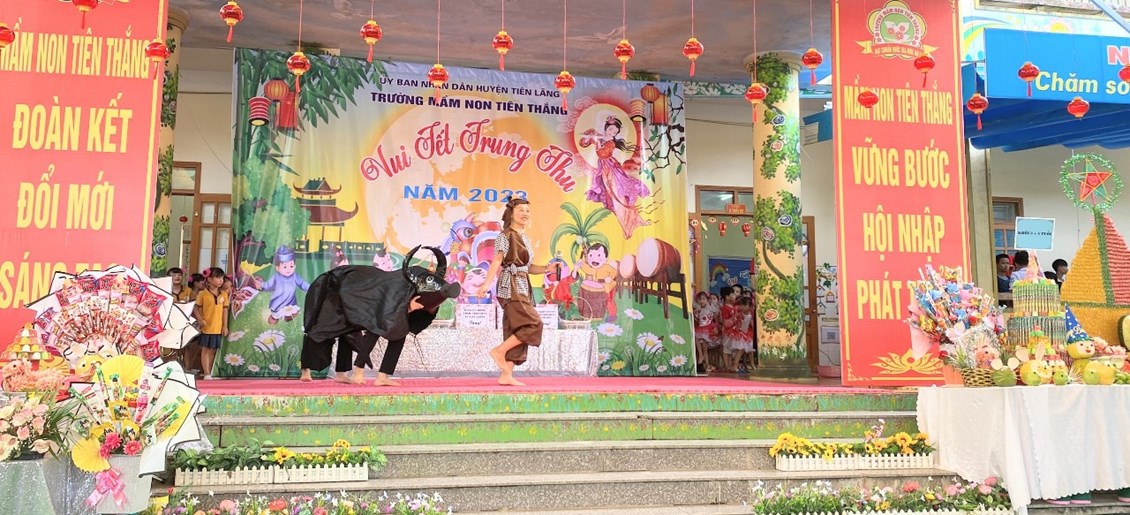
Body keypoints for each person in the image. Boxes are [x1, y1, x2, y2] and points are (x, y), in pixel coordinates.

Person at [478, 197, 559, 386]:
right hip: (510, 286)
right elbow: (497, 260)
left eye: (527, 211)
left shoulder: (525, 238)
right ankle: (499, 351)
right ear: (511, 213)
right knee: (533, 323)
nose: (525, 214)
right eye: (521, 210)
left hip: (523, 285)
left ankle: (506, 374)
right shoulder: (505, 236)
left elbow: (528, 268)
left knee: (516, 329)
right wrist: (486, 284)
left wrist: (548, 268)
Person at [580, 116, 651, 239]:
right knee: (610, 197)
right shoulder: (600, 137)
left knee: (618, 196)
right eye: (611, 129)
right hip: (604, 170)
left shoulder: (611, 142)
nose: (612, 133)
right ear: (606, 127)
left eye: (615, 132)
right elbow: (583, 143)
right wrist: (588, 137)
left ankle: (630, 223)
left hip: (611, 169)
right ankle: (628, 222)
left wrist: (596, 141)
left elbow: (602, 154)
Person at [193, 267, 229, 380]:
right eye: (218, 278)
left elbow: (225, 310)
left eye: (222, 278)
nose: (221, 280)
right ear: (209, 279)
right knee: (206, 350)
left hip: (218, 327)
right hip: (206, 326)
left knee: (213, 350)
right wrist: (200, 319)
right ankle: (206, 372)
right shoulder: (203, 294)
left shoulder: (223, 294)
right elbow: (195, 307)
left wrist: (225, 326)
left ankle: (211, 372)